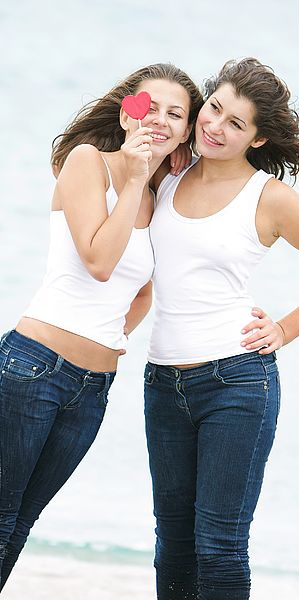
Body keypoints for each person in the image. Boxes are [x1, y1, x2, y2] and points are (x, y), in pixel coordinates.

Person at [144, 57, 299, 600]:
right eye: (214, 108)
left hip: (237, 384)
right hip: (162, 382)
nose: (215, 127)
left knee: (219, 549)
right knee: (172, 544)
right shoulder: (168, 172)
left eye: (235, 123)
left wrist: (285, 330)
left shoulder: (269, 198)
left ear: (258, 138)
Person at [0, 63, 202, 591]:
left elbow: (142, 290)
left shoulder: (158, 201)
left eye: (175, 114)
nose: (159, 119)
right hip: (31, 367)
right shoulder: (88, 162)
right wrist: (135, 176)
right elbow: (99, 260)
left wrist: (111, 337)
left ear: (185, 133)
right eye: (149, 107)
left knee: (20, 523)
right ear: (126, 111)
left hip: (92, 387)